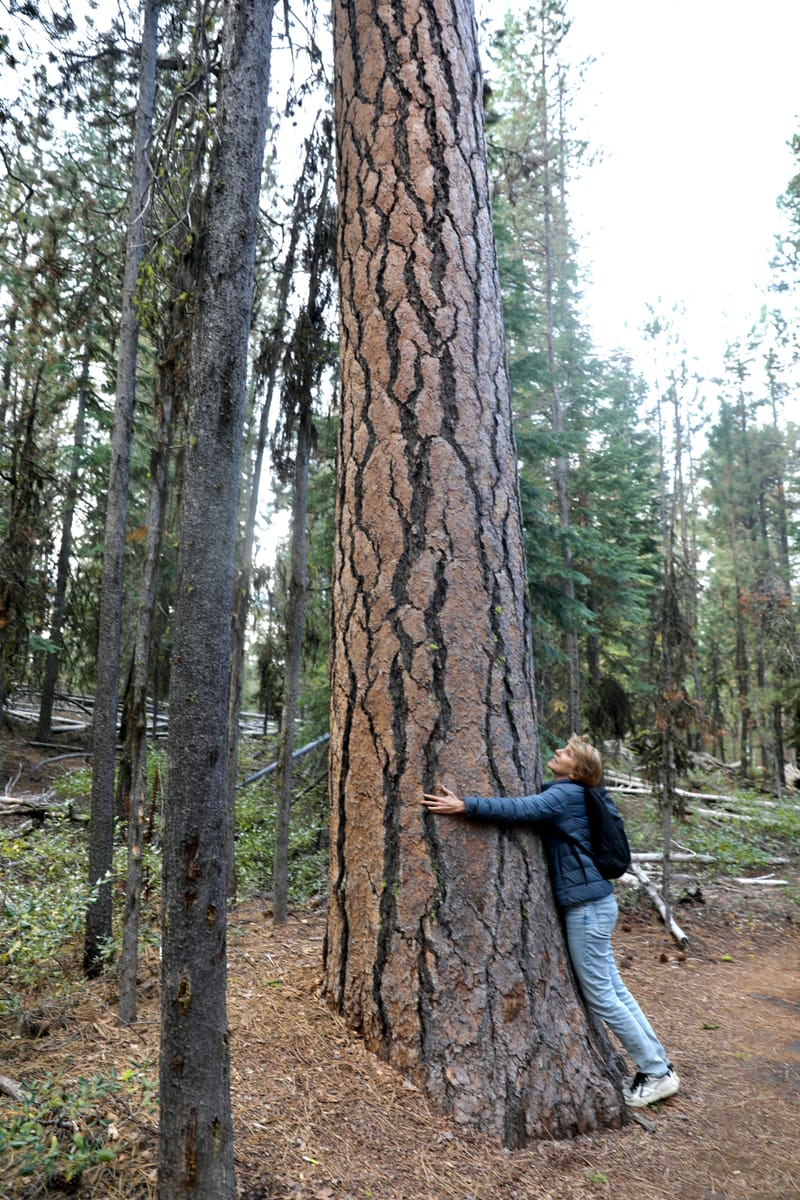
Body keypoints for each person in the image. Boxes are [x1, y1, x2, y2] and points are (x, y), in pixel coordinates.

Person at [420, 734, 680, 1108]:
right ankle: (659, 1067)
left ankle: (654, 1072)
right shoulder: (576, 794)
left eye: (567, 753)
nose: (558, 752)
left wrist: (465, 805)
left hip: (587, 908)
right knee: (615, 991)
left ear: (578, 769)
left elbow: (520, 809)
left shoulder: (566, 795)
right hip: (596, 903)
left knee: (603, 996)